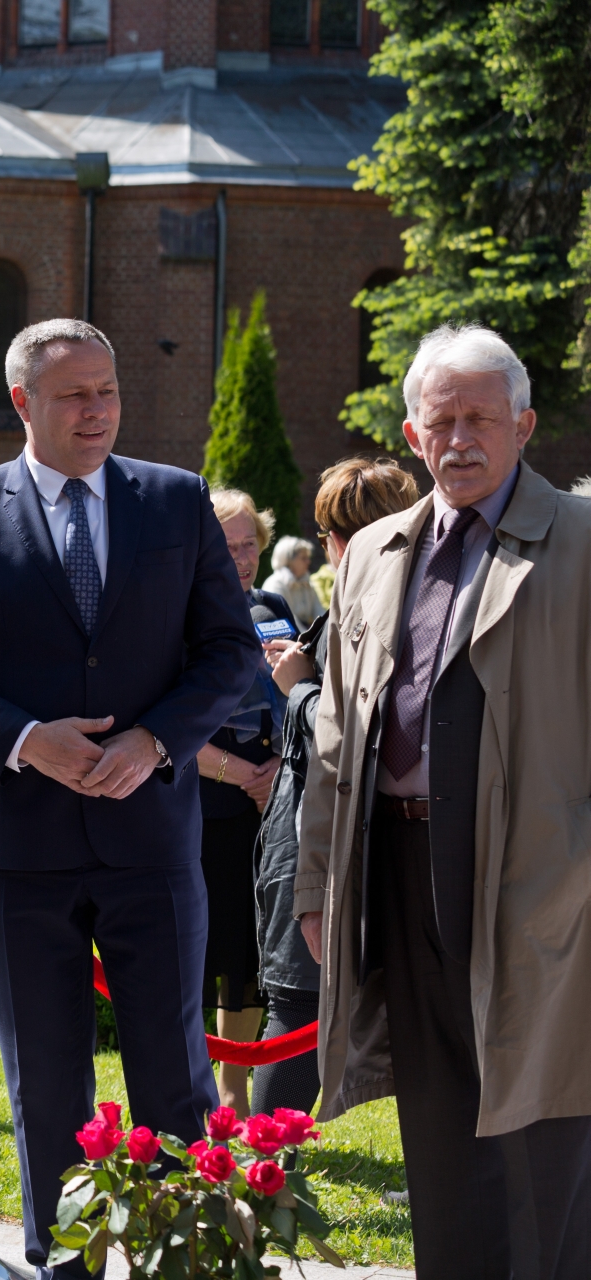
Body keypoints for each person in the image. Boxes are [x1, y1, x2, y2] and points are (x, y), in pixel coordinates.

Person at [0, 318, 259, 1280]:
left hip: (152, 841)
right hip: (21, 849)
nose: (97, 412)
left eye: (108, 391)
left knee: (175, 1085)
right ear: (23, 402)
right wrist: (24, 739)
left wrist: (155, 740)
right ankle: (65, 1268)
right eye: (73, 396)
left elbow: (230, 651)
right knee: (48, 1090)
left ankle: (186, 1267)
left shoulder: (175, 501)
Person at [298, 325, 591, 1280]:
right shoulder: (373, 552)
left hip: (545, 882)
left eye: (480, 420)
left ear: (524, 426)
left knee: (545, 1130)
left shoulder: (581, 543)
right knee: (438, 1134)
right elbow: (336, 732)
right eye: (441, 422)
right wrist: (316, 883)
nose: (459, 440)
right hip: (397, 868)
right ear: (412, 436)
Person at [250, 456, 419, 1118]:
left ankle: (265, 1173)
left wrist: (297, 688)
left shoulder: (372, 605)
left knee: (295, 1008)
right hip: (364, 835)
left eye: (327, 535)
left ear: (340, 540)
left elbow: (350, 729)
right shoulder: (419, 600)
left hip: (322, 842)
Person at [197, 489, 292, 1111]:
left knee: (250, 954)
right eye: (227, 546)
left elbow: (300, 694)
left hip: (264, 812)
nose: (241, 558)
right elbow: (166, 725)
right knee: (201, 952)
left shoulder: (273, 606)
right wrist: (241, 775)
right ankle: (192, 1081)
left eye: (249, 544)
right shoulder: (179, 612)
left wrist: (279, 766)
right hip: (202, 810)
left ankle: (233, 1088)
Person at [262, 534, 322, 626]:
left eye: (308, 558)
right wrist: (309, 634)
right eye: (303, 558)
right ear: (288, 560)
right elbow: (285, 619)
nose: (308, 561)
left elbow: (319, 613)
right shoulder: (275, 584)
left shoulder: (307, 583)